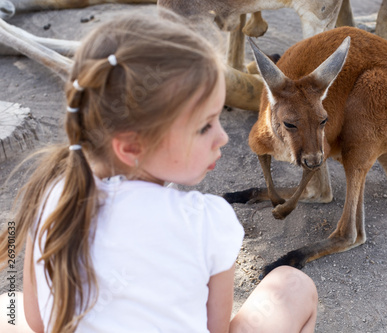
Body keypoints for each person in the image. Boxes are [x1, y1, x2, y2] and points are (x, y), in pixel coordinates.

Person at [0, 10, 317, 333]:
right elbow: (216, 329)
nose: (223, 137)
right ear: (131, 146)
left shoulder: (52, 194)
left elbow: (37, 321)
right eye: (204, 127)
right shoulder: (207, 220)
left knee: (6, 307)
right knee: (292, 285)